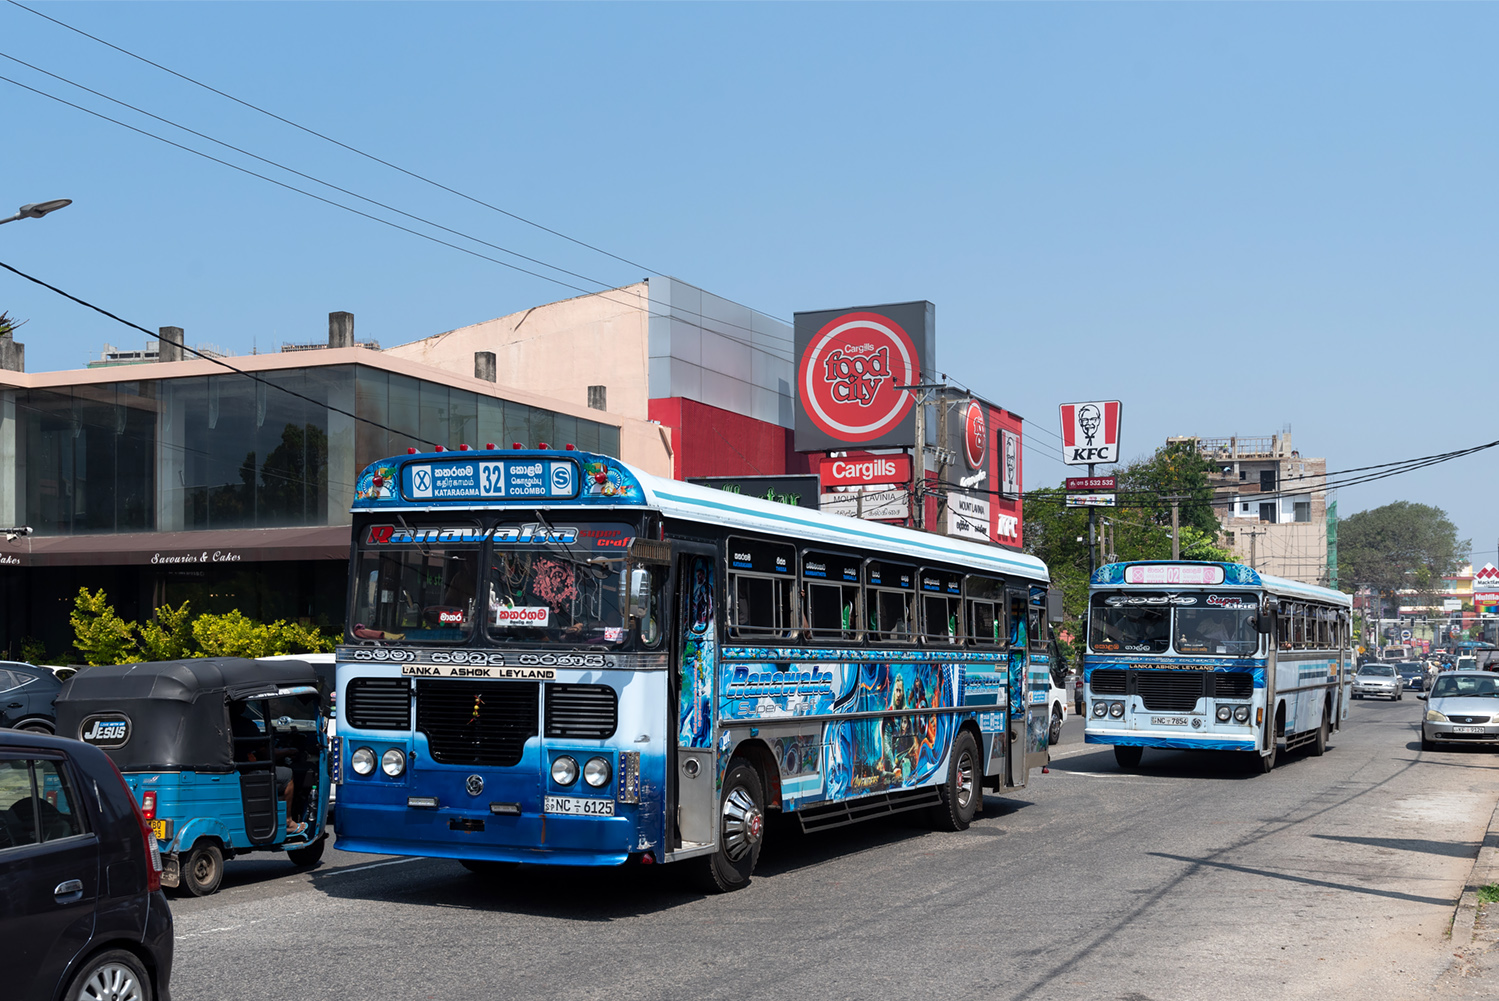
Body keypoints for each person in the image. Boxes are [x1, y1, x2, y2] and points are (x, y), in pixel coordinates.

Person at [231, 702, 307, 837]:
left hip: (233, 770)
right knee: (287, 774)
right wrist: (289, 751)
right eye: (242, 702)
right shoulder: (246, 725)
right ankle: (288, 821)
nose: (244, 705)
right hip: (247, 772)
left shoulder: (219, 724)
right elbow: (265, 753)